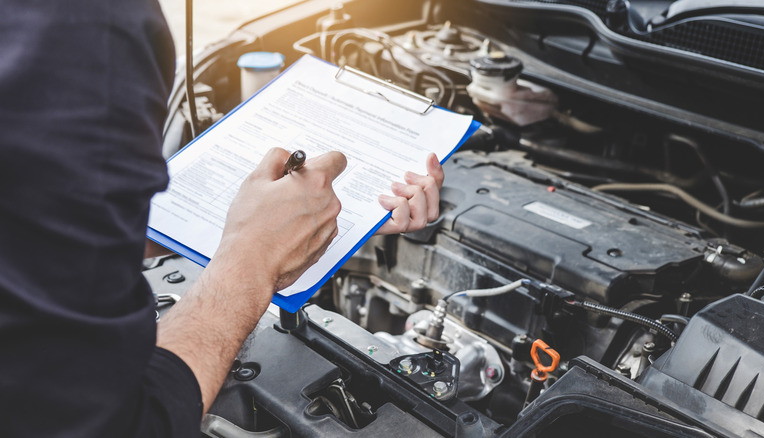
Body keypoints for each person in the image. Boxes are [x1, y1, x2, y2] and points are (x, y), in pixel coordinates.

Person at [0, 0, 444, 436]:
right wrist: (254, 253)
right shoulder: (82, 24)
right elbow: (101, 423)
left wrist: (295, 219)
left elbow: (32, 229)